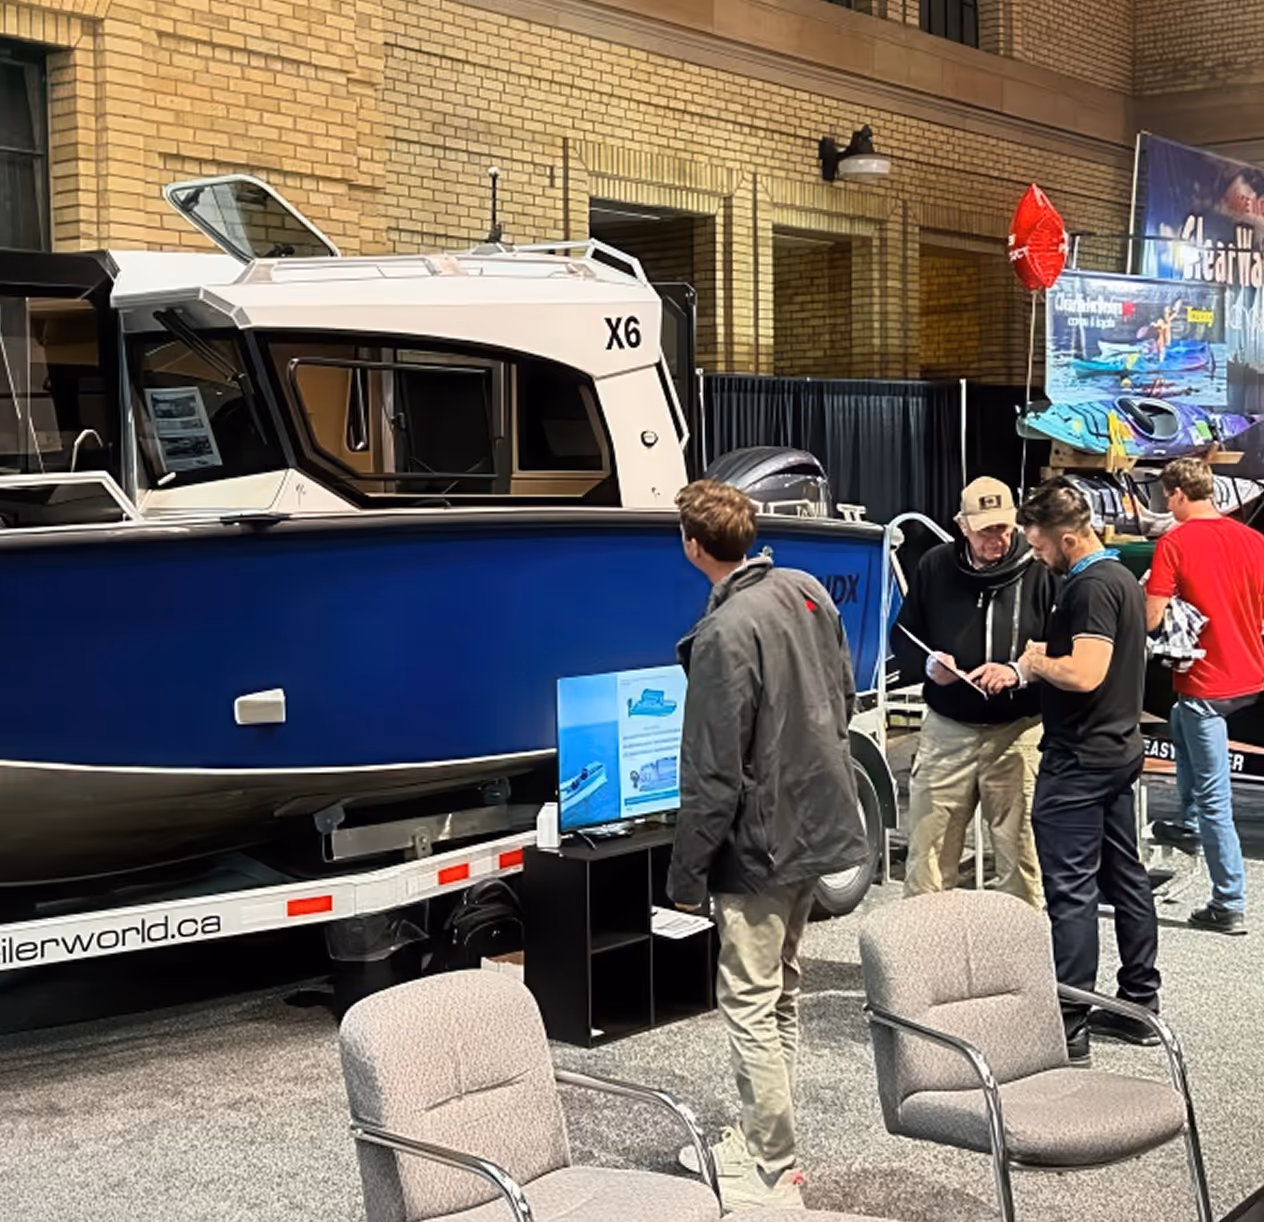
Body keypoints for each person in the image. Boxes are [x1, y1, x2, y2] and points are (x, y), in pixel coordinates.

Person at [667, 478, 868, 1213]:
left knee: (751, 1001)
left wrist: (686, 873)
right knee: (780, 992)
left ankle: (773, 1168)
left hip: (760, 845)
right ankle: (762, 1140)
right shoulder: (808, 589)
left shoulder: (725, 632)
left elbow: (713, 772)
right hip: (818, 827)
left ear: (693, 546)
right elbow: (843, 696)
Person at [995, 478, 1160, 1064]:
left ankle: (1069, 1024)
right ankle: (1142, 1003)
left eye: (1039, 546)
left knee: (1071, 894)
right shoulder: (1120, 580)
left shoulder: (1089, 587)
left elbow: (1087, 672)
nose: (1035, 556)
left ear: (1067, 538)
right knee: (1126, 877)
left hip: (1081, 759)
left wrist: (1037, 662)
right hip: (1117, 750)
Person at [892, 477, 1057, 908]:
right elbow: (906, 634)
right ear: (962, 524)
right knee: (928, 852)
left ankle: (1018, 961)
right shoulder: (935, 565)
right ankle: (924, 957)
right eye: (985, 529)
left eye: (1004, 528)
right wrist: (929, 666)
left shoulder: (1040, 569)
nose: (996, 539)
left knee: (1021, 854)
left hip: (1019, 731)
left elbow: (1062, 647)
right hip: (948, 728)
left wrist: (1018, 671)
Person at [1145, 456, 1264, 935]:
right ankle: (1191, 820)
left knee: (1216, 795)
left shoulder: (1174, 542)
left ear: (1176, 495)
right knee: (1178, 720)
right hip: (1249, 675)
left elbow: (1153, 618)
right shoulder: (1253, 539)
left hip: (1205, 682)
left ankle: (1228, 901)